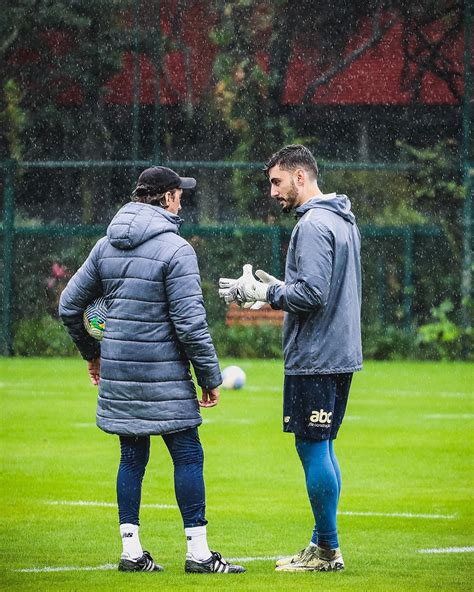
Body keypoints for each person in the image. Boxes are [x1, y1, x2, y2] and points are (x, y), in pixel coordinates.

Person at [59, 166, 245, 575]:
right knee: (188, 454)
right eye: (180, 195)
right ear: (167, 198)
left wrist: (94, 353)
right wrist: (209, 377)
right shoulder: (176, 249)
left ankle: (131, 553)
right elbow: (190, 323)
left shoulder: (105, 245)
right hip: (164, 376)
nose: (183, 202)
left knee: (131, 457)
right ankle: (198, 554)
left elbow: (69, 305)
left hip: (121, 374)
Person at [219, 144, 362, 572]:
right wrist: (276, 292)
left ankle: (328, 552)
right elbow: (322, 288)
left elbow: (314, 295)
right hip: (339, 351)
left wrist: (266, 293)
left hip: (316, 354)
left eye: (276, 182)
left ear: (301, 177)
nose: (272, 192)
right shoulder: (341, 219)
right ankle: (322, 543)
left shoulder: (314, 225)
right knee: (325, 447)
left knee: (312, 448)